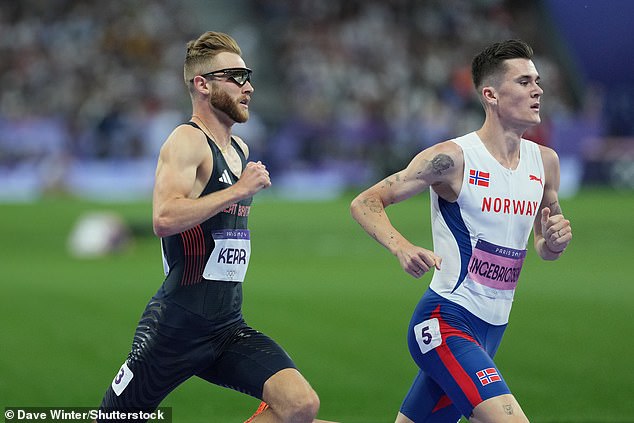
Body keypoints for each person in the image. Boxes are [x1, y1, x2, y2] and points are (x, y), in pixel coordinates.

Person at [95, 31, 330, 423]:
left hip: (226, 327)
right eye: (235, 77)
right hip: (176, 325)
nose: (249, 87)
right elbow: (164, 218)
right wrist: (238, 189)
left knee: (300, 404)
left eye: (248, 76)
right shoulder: (186, 141)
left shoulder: (240, 150)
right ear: (202, 85)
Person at [350, 39, 572, 422]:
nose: (537, 90)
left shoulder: (545, 163)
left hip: (493, 329)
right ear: (491, 95)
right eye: (523, 82)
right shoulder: (453, 159)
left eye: (537, 81)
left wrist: (552, 242)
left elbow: (544, 246)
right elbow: (365, 202)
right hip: (445, 321)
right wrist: (401, 247)